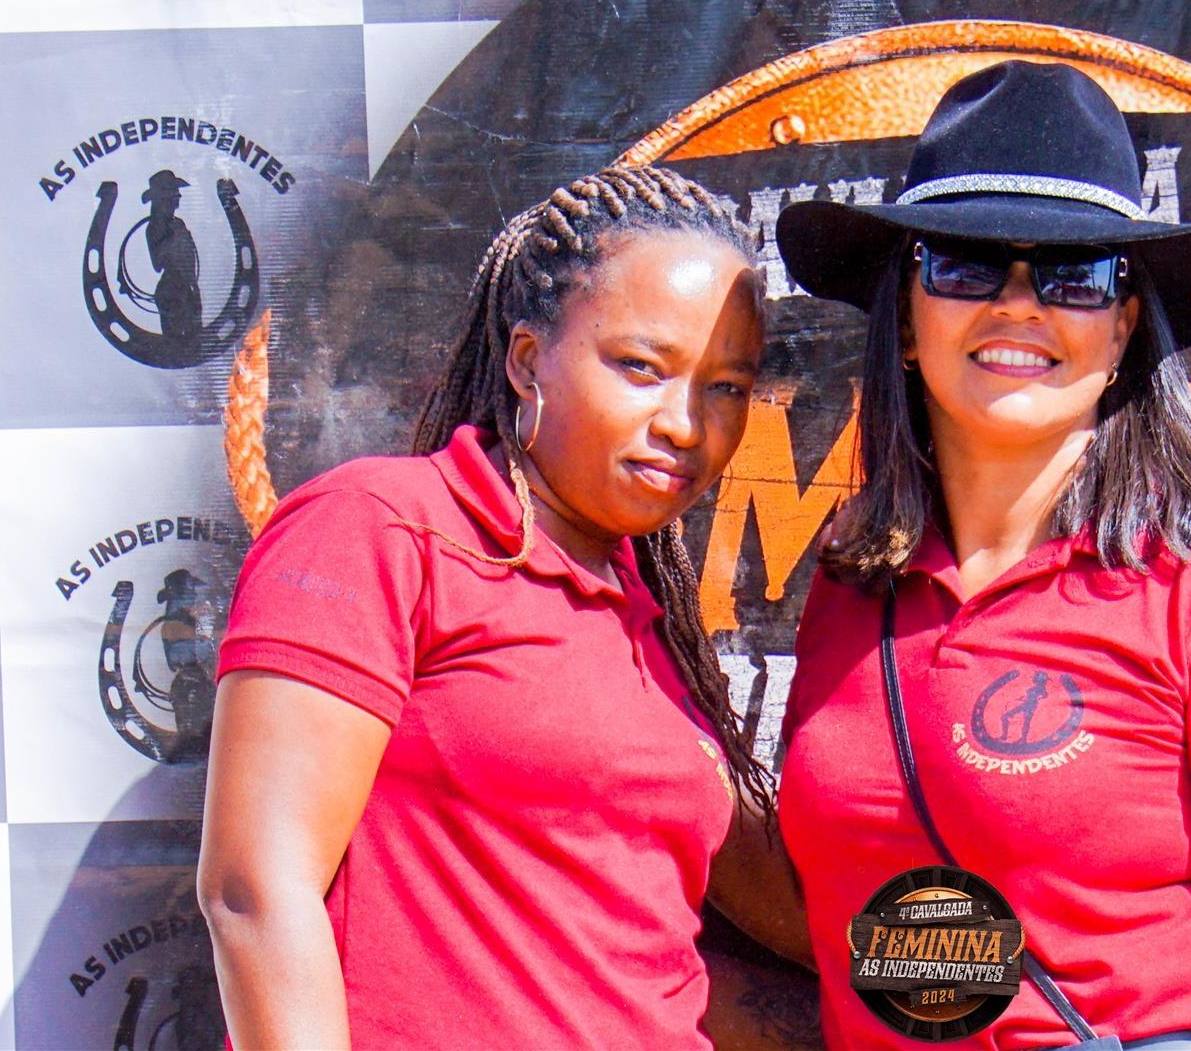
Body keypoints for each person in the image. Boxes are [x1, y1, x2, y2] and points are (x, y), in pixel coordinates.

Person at [773, 61, 1191, 1049]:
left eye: (1074, 276)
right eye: (964, 266)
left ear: (1124, 327)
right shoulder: (850, 583)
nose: (1020, 306)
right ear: (907, 318)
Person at [198, 164, 800, 1047]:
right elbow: (254, 892)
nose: (685, 423)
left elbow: (702, 942)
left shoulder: (648, 624)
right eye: (641, 367)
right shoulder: (385, 527)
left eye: (727, 387)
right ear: (527, 361)